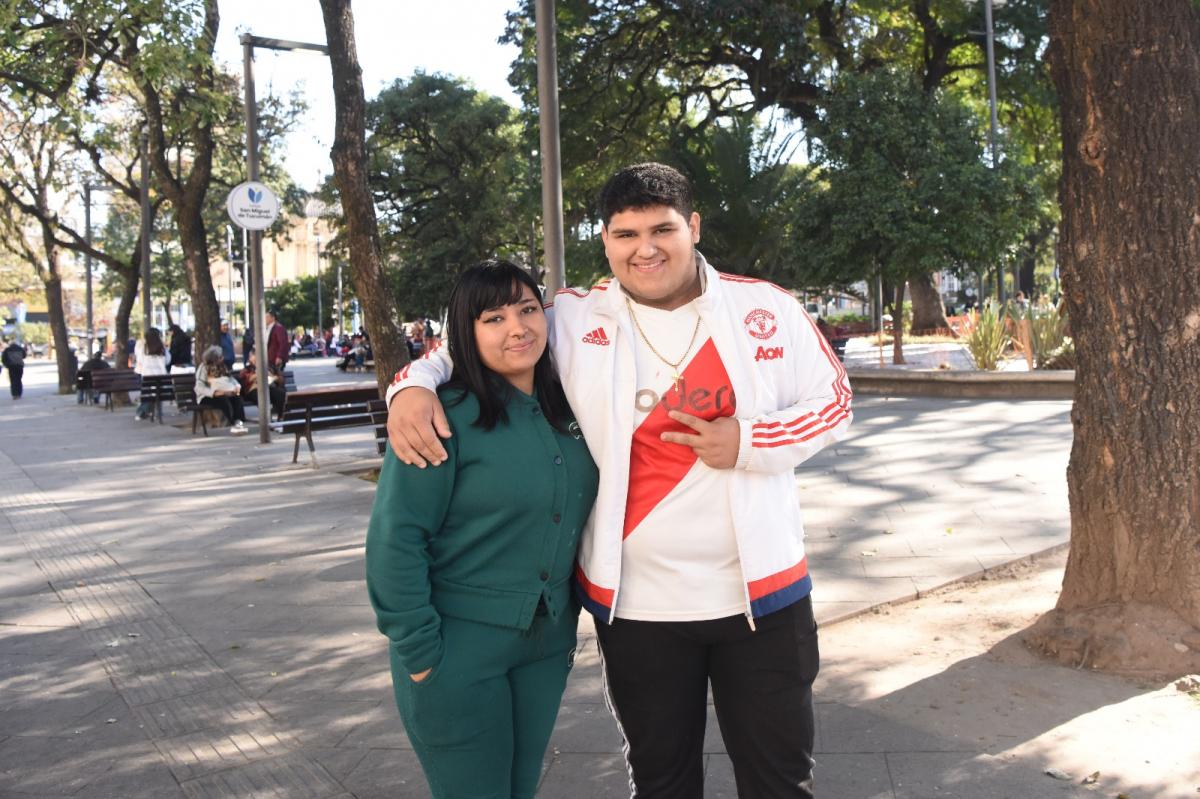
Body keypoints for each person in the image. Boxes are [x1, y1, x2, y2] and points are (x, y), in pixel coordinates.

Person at [387, 163, 853, 797]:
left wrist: (750, 441)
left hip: (764, 599)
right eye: (626, 234)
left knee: (780, 781)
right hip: (638, 608)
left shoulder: (764, 306)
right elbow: (467, 342)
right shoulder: (573, 315)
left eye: (662, 229)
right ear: (605, 240)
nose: (645, 249)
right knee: (661, 782)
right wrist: (410, 387)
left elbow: (834, 401)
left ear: (693, 226)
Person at [367, 260, 598, 799]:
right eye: (493, 318)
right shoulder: (440, 417)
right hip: (456, 650)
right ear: (465, 334)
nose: (517, 328)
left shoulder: (572, 405)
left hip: (546, 645)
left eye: (526, 310)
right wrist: (421, 654)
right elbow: (395, 540)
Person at [195, 345, 248, 435]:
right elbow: (199, 387)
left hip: (226, 392)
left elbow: (231, 379)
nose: (222, 358)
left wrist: (237, 386)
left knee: (237, 398)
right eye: (220, 357)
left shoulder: (222, 366)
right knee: (224, 401)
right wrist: (215, 393)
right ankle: (232, 422)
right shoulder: (204, 367)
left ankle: (238, 421)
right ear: (214, 358)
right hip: (208, 395)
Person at [133, 327, 171, 420]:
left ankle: (141, 412)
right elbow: (167, 360)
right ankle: (158, 413)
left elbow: (140, 360)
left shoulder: (144, 347)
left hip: (147, 375)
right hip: (161, 376)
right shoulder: (162, 348)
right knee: (158, 394)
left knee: (147, 395)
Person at [238, 349, 286, 421]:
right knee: (260, 395)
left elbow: (281, 379)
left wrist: (274, 377)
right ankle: (267, 418)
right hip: (253, 391)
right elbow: (244, 381)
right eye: (254, 358)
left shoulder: (270, 367)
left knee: (280, 393)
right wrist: (256, 375)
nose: (256, 361)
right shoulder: (246, 369)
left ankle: (281, 416)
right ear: (250, 359)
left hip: (268, 388)